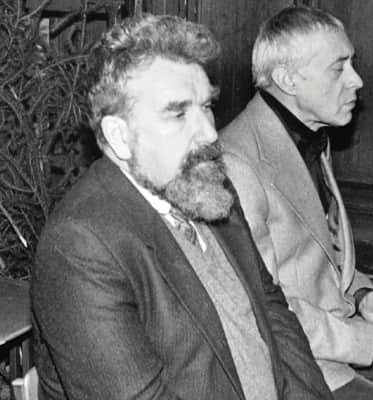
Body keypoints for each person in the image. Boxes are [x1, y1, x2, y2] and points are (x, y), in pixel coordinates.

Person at [31, 13, 333, 400]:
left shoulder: (204, 184)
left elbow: (272, 311)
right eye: (177, 113)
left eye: (206, 107)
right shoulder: (79, 247)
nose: (208, 133)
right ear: (120, 137)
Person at [221, 6, 373, 400]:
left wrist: (363, 297)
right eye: (339, 68)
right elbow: (259, 304)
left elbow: (317, 254)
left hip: (330, 350)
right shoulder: (236, 163)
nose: (357, 80)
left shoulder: (310, 135)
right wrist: (365, 341)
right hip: (293, 369)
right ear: (287, 79)